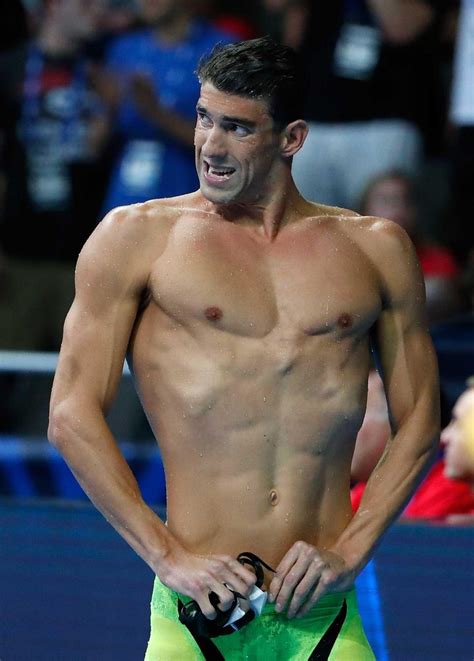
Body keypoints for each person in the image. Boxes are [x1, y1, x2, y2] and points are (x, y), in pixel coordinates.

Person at [48, 37, 439, 660]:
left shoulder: (376, 249)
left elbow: (419, 419)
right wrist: (168, 557)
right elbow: (70, 414)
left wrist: (351, 551)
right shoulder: (134, 239)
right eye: (205, 117)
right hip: (197, 612)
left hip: (324, 616)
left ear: (292, 138)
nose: (210, 143)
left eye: (236, 127)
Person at [98, 0, 233, 212]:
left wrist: (155, 112)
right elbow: (95, 144)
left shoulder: (222, 50)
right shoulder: (123, 48)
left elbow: (229, 143)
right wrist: (105, 108)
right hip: (124, 197)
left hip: (189, 199)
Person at [359, 170, 465, 324]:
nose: (397, 210)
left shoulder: (439, 259)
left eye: (405, 201)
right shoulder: (348, 260)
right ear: (362, 211)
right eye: (386, 201)